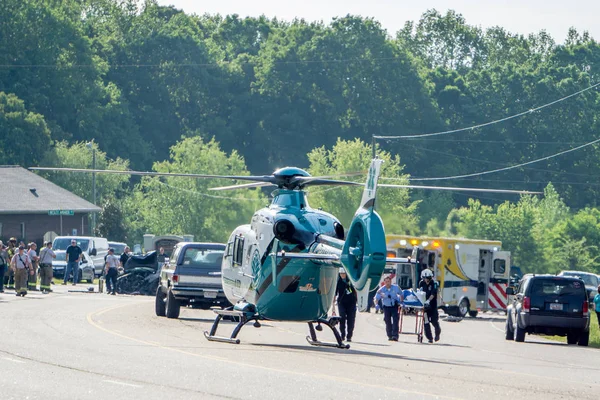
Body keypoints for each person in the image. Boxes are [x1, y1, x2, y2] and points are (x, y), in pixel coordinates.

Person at [375, 275, 403, 341]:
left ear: (391, 281)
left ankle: (395, 336)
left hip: (394, 306)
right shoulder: (381, 290)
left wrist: (401, 301)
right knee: (387, 322)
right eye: (386, 282)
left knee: (396, 321)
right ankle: (390, 335)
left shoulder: (396, 288)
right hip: (386, 307)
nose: (388, 283)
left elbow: (401, 294)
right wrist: (376, 304)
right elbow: (376, 298)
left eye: (389, 281)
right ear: (384, 282)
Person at [334, 267, 357, 342]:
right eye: (341, 274)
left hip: (351, 303)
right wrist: (333, 304)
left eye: (343, 273)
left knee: (351, 319)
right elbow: (335, 292)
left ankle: (349, 335)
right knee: (342, 317)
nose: (342, 275)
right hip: (341, 302)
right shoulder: (338, 282)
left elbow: (356, 291)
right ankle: (342, 334)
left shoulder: (351, 281)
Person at [419, 268, 441, 343]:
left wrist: (429, 300)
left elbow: (433, 293)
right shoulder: (421, 283)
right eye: (425, 278)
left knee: (434, 321)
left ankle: (437, 334)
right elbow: (420, 292)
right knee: (426, 321)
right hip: (425, 306)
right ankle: (429, 338)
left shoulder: (434, 283)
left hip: (432, 305)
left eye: (428, 278)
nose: (427, 280)